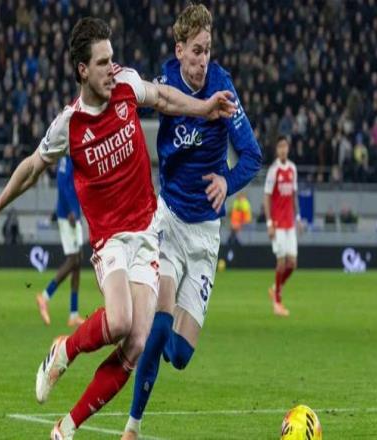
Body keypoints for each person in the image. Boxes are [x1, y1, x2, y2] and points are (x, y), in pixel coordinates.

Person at [0, 17, 236, 440]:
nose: (112, 69)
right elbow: (33, 167)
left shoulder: (126, 84)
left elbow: (164, 98)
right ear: (82, 70)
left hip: (147, 232)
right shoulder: (69, 124)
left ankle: (66, 427)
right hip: (110, 239)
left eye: (112, 59)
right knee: (121, 320)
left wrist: (204, 108)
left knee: (137, 343)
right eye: (102, 63)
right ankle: (65, 348)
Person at [121, 5, 262, 439]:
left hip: (205, 235)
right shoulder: (165, 82)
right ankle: (132, 426)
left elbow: (252, 155)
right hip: (169, 219)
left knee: (179, 354)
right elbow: (136, 105)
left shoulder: (223, 88)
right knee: (160, 322)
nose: (203, 59)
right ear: (179, 49)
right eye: (196, 51)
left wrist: (227, 180)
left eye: (208, 50)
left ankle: (157, 336)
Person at [36, 154, 85, 327]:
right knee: (73, 260)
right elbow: (63, 184)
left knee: (78, 261)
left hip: (74, 213)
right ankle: (45, 296)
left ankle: (73, 313)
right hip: (68, 215)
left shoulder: (72, 156)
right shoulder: (66, 158)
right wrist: (72, 211)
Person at [264, 136, 301, 317]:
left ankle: (275, 288)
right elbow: (266, 197)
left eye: (285, 146)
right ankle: (277, 302)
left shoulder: (293, 168)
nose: (283, 149)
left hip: (290, 223)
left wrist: (298, 217)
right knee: (281, 263)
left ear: (288, 148)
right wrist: (269, 223)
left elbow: (294, 195)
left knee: (292, 263)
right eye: (280, 146)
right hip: (278, 223)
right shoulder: (273, 170)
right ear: (277, 150)